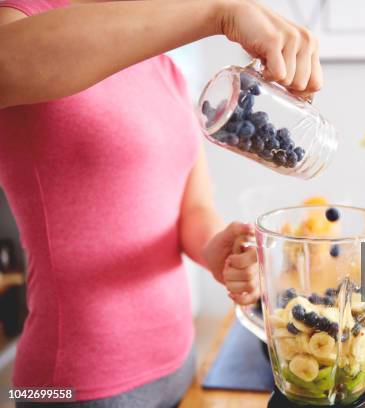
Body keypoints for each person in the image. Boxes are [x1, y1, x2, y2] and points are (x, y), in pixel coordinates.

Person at [0, 0, 322, 406]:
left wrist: (219, 250)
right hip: (75, 383)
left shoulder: (164, 67)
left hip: (178, 363)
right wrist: (217, 12)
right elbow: (6, 64)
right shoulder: (21, 18)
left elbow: (191, 208)